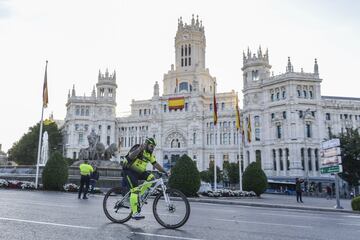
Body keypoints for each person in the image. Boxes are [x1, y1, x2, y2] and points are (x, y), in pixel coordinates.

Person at [123, 137, 167, 220]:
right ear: (146, 144)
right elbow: (130, 156)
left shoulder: (149, 154)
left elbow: (156, 164)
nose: (152, 148)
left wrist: (165, 172)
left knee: (151, 177)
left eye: (154, 147)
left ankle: (141, 196)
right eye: (151, 146)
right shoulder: (138, 148)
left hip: (140, 172)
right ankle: (135, 213)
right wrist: (139, 149)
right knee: (135, 190)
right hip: (129, 171)